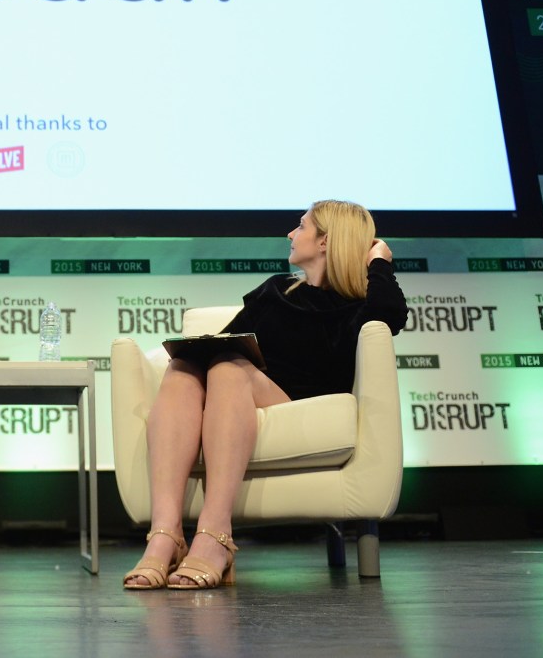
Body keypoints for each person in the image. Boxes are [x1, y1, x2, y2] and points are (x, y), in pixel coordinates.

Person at [122, 200, 407, 591]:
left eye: (301, 226)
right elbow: (228, 341)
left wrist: (379, 261)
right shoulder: (276, 290)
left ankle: (215, 535)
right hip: (240, 391)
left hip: (300, 401)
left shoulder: (359, 306)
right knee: (184, 368)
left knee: (229, 369)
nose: (291, 233)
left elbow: (390, 314)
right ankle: (165, 536)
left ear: (325, 241)